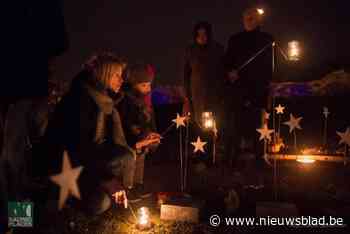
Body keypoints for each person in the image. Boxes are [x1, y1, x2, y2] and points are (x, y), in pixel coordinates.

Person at [45, 52, 134, 215]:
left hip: (91, 160)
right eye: (116, 75)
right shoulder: (80, 100)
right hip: (70, 165)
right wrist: (106, 180)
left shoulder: (106, 100)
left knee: (126, 156)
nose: (121, 80)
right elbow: (79, 149)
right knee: (100, 204)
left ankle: (115, 191)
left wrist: (138, 141)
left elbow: (110, 141)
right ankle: (65, 198)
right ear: (104, 75)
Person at [223, 8, 274, 168]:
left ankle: (261, 156)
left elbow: (269, 66)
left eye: (252, 18)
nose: (248, 21)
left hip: (258, 88)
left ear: (259, 20)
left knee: (259, 125)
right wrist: (229, 72)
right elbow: (227, 61)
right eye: (246, 18)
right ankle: (235, 157)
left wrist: (267, 84)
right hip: (239, 89)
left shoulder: (267, 39)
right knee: (236, 124)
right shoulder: (235, 39)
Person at [117, 63, 161, 203]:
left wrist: (150, 134)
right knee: (131, 160)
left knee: (141, 159)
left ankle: (138, 185)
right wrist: (137, 138)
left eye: (149, 85)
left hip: (141, 139)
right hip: (129, 140)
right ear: (133, 84)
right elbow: (125, 123)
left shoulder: (143, 101)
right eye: (143, 85)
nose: (148, 89)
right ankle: (127, 188)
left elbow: (147, 120)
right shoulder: (125, 101)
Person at [183, 21, 225, 125]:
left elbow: (223, 69)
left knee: (216, 123)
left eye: (204, 34)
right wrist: (187, 96)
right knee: (199, 124)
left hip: (215, 94)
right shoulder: (190, 51)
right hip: (197, 94)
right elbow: (186, 74)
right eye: (199, 34)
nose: (202, 37)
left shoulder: (218, 49)